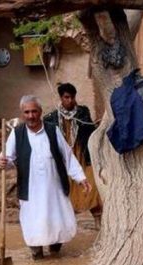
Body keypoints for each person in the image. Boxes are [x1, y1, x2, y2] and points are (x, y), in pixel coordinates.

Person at [0, 95, 91, 260]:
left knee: (56, 222)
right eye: (27, 112)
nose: (31, 116)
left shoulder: (52, 130)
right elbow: (8, 159)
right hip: (30, 189)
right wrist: (3, 162)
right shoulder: (16, 134)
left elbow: (67, 156)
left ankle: (55, 252)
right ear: (22, 114)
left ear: (40, 112)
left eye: (34, 111)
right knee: (33, 222)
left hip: (53, 188)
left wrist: (81, 178)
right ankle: (37, 253)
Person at [44, 83, 103, 229]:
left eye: (72, 97)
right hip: (63, 159)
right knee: (65, 190)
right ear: (61, 98)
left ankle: (97, 220)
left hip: (82, 155)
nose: (69, 100)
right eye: (66, 97)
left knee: (91, 185)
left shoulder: (82, 113)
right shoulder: (51, 117)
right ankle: (66, 225)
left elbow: (90, 132)